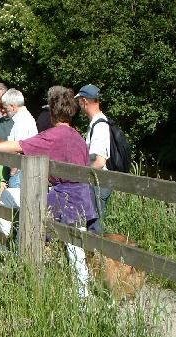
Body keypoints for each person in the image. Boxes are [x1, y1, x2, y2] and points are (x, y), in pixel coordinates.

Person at [0, 86, 97, 298]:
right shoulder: (78, 137)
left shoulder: (52, 136)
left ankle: (8, 253)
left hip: (62, 197)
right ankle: (83, 298)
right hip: (83, 199)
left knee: (12, 202)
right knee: (77, 251)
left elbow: (18, 145)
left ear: (53, 113)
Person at [75, 84, 111, 234]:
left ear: (84, 101)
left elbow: (99, 161)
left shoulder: (100, 125)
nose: (79, 106)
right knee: (92, 224)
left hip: (98, 183)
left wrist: (82, 176)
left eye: (79, 102)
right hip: (96, 182)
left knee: (95, 227)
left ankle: (97, 255)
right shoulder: (96, 123)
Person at [1, 88, 38, 188]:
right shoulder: (24, 118)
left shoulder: (22, 122)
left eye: (6, 108)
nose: (6, 112)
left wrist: (13, 171)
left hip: (20, 170)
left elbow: (18, 148)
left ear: (13, 107)